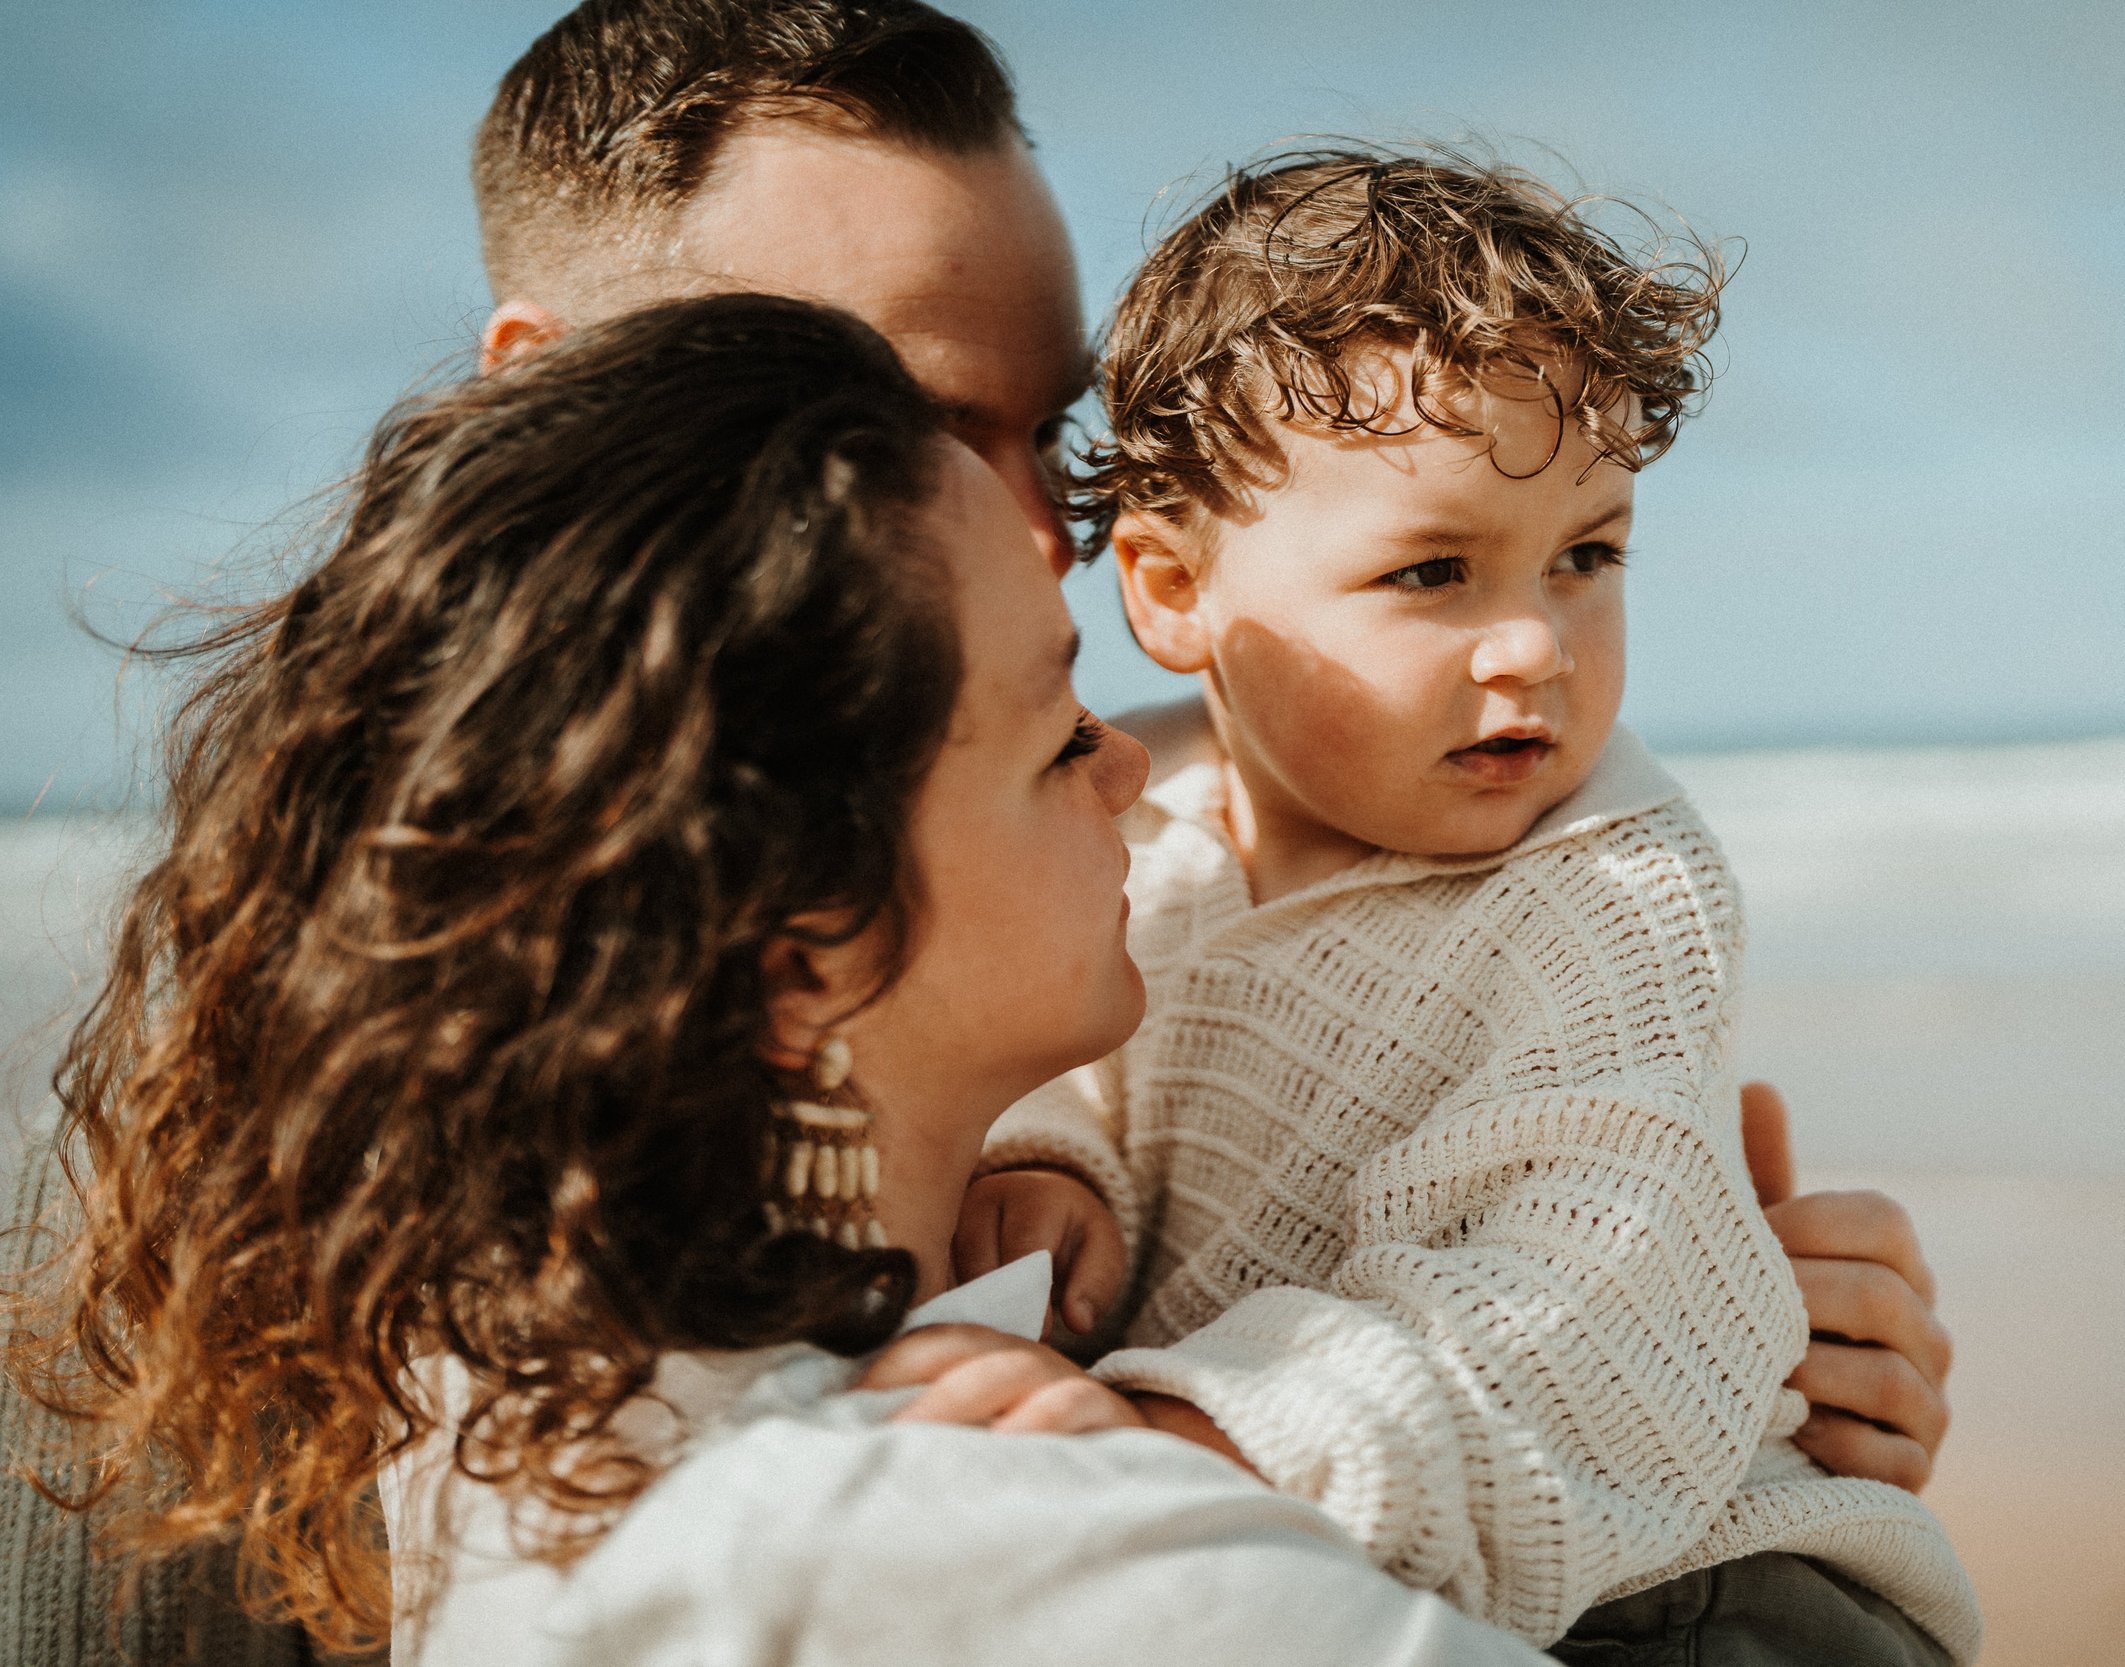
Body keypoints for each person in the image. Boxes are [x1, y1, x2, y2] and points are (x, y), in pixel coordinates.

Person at [469, 0, 1956, 1504]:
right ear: (546, 392)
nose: (1047, 534)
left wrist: (1708, 1327)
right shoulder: (412, 1068)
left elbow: (1581, 1291)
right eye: (894, 425)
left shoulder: (1102, 794)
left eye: (1050, 433)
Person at [4, 292, 1567, 1667]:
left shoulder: (511, 1401)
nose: (1127, 777)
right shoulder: (974, 1550)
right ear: (796, 947)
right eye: (1051, 735)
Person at [944, 149, 1981, 1663]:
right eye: (1434, 570)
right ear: (1169, 591)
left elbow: (1567, 1292)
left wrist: (1191, 1436)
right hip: (1365, 1547)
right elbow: (1082, 1047)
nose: (1534, 649)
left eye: (1588, 555)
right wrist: (1060, 1160)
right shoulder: (1133, 830)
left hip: (1695, 1592)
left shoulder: (1613, 890)